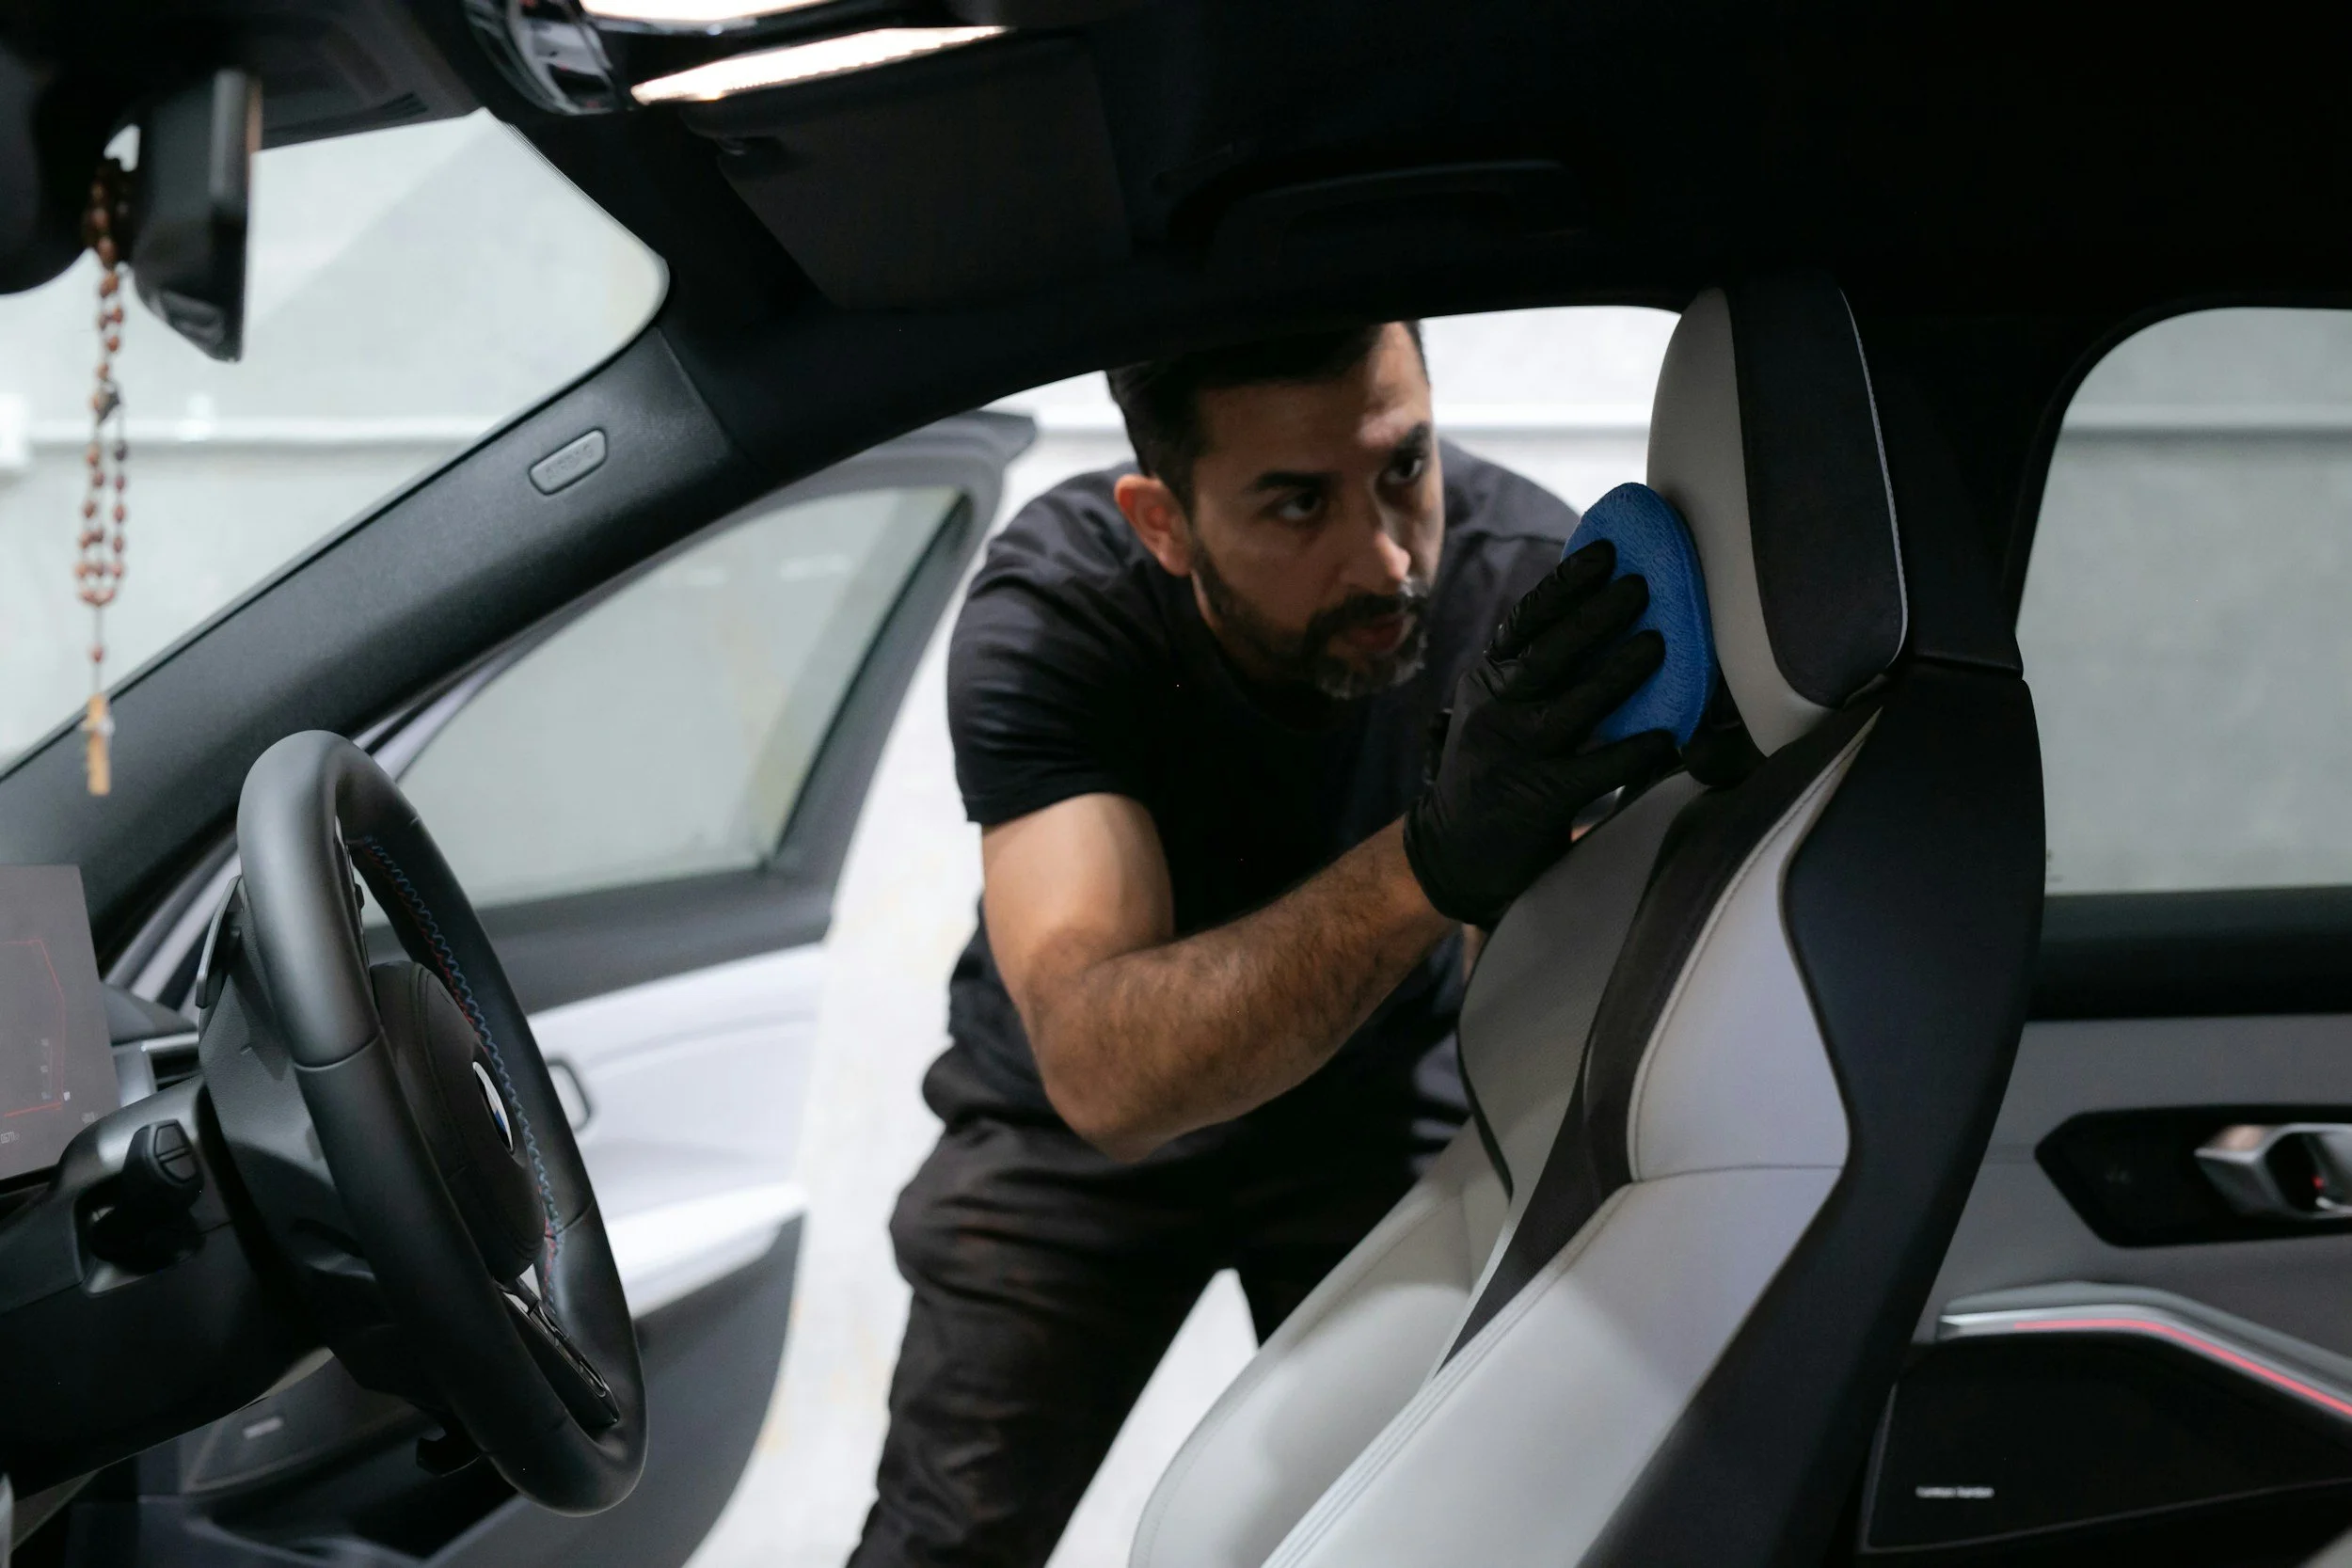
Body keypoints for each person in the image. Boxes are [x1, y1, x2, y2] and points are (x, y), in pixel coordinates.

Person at [850, 321, 1674, 1566]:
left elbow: (1560, 1014)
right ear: (1162, 521)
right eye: (1297, 505)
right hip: (1070, 1146)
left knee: (1403, 1534)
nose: (1387, 556)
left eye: (1404, 467)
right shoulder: (1064, 607)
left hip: (1381, 1109)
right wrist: (1430, 858)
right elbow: (1103, 1074)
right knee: (943, 1545)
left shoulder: (1526, 595)